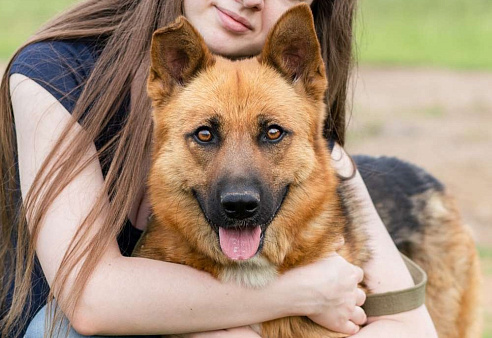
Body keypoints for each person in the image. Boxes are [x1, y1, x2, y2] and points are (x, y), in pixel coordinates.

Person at [0, 0, 438, 337]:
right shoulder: (56, 74)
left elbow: (412, 325)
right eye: (205, 136)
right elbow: (91, 300)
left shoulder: (296, 114)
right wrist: (299, 293)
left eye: (271, 135)